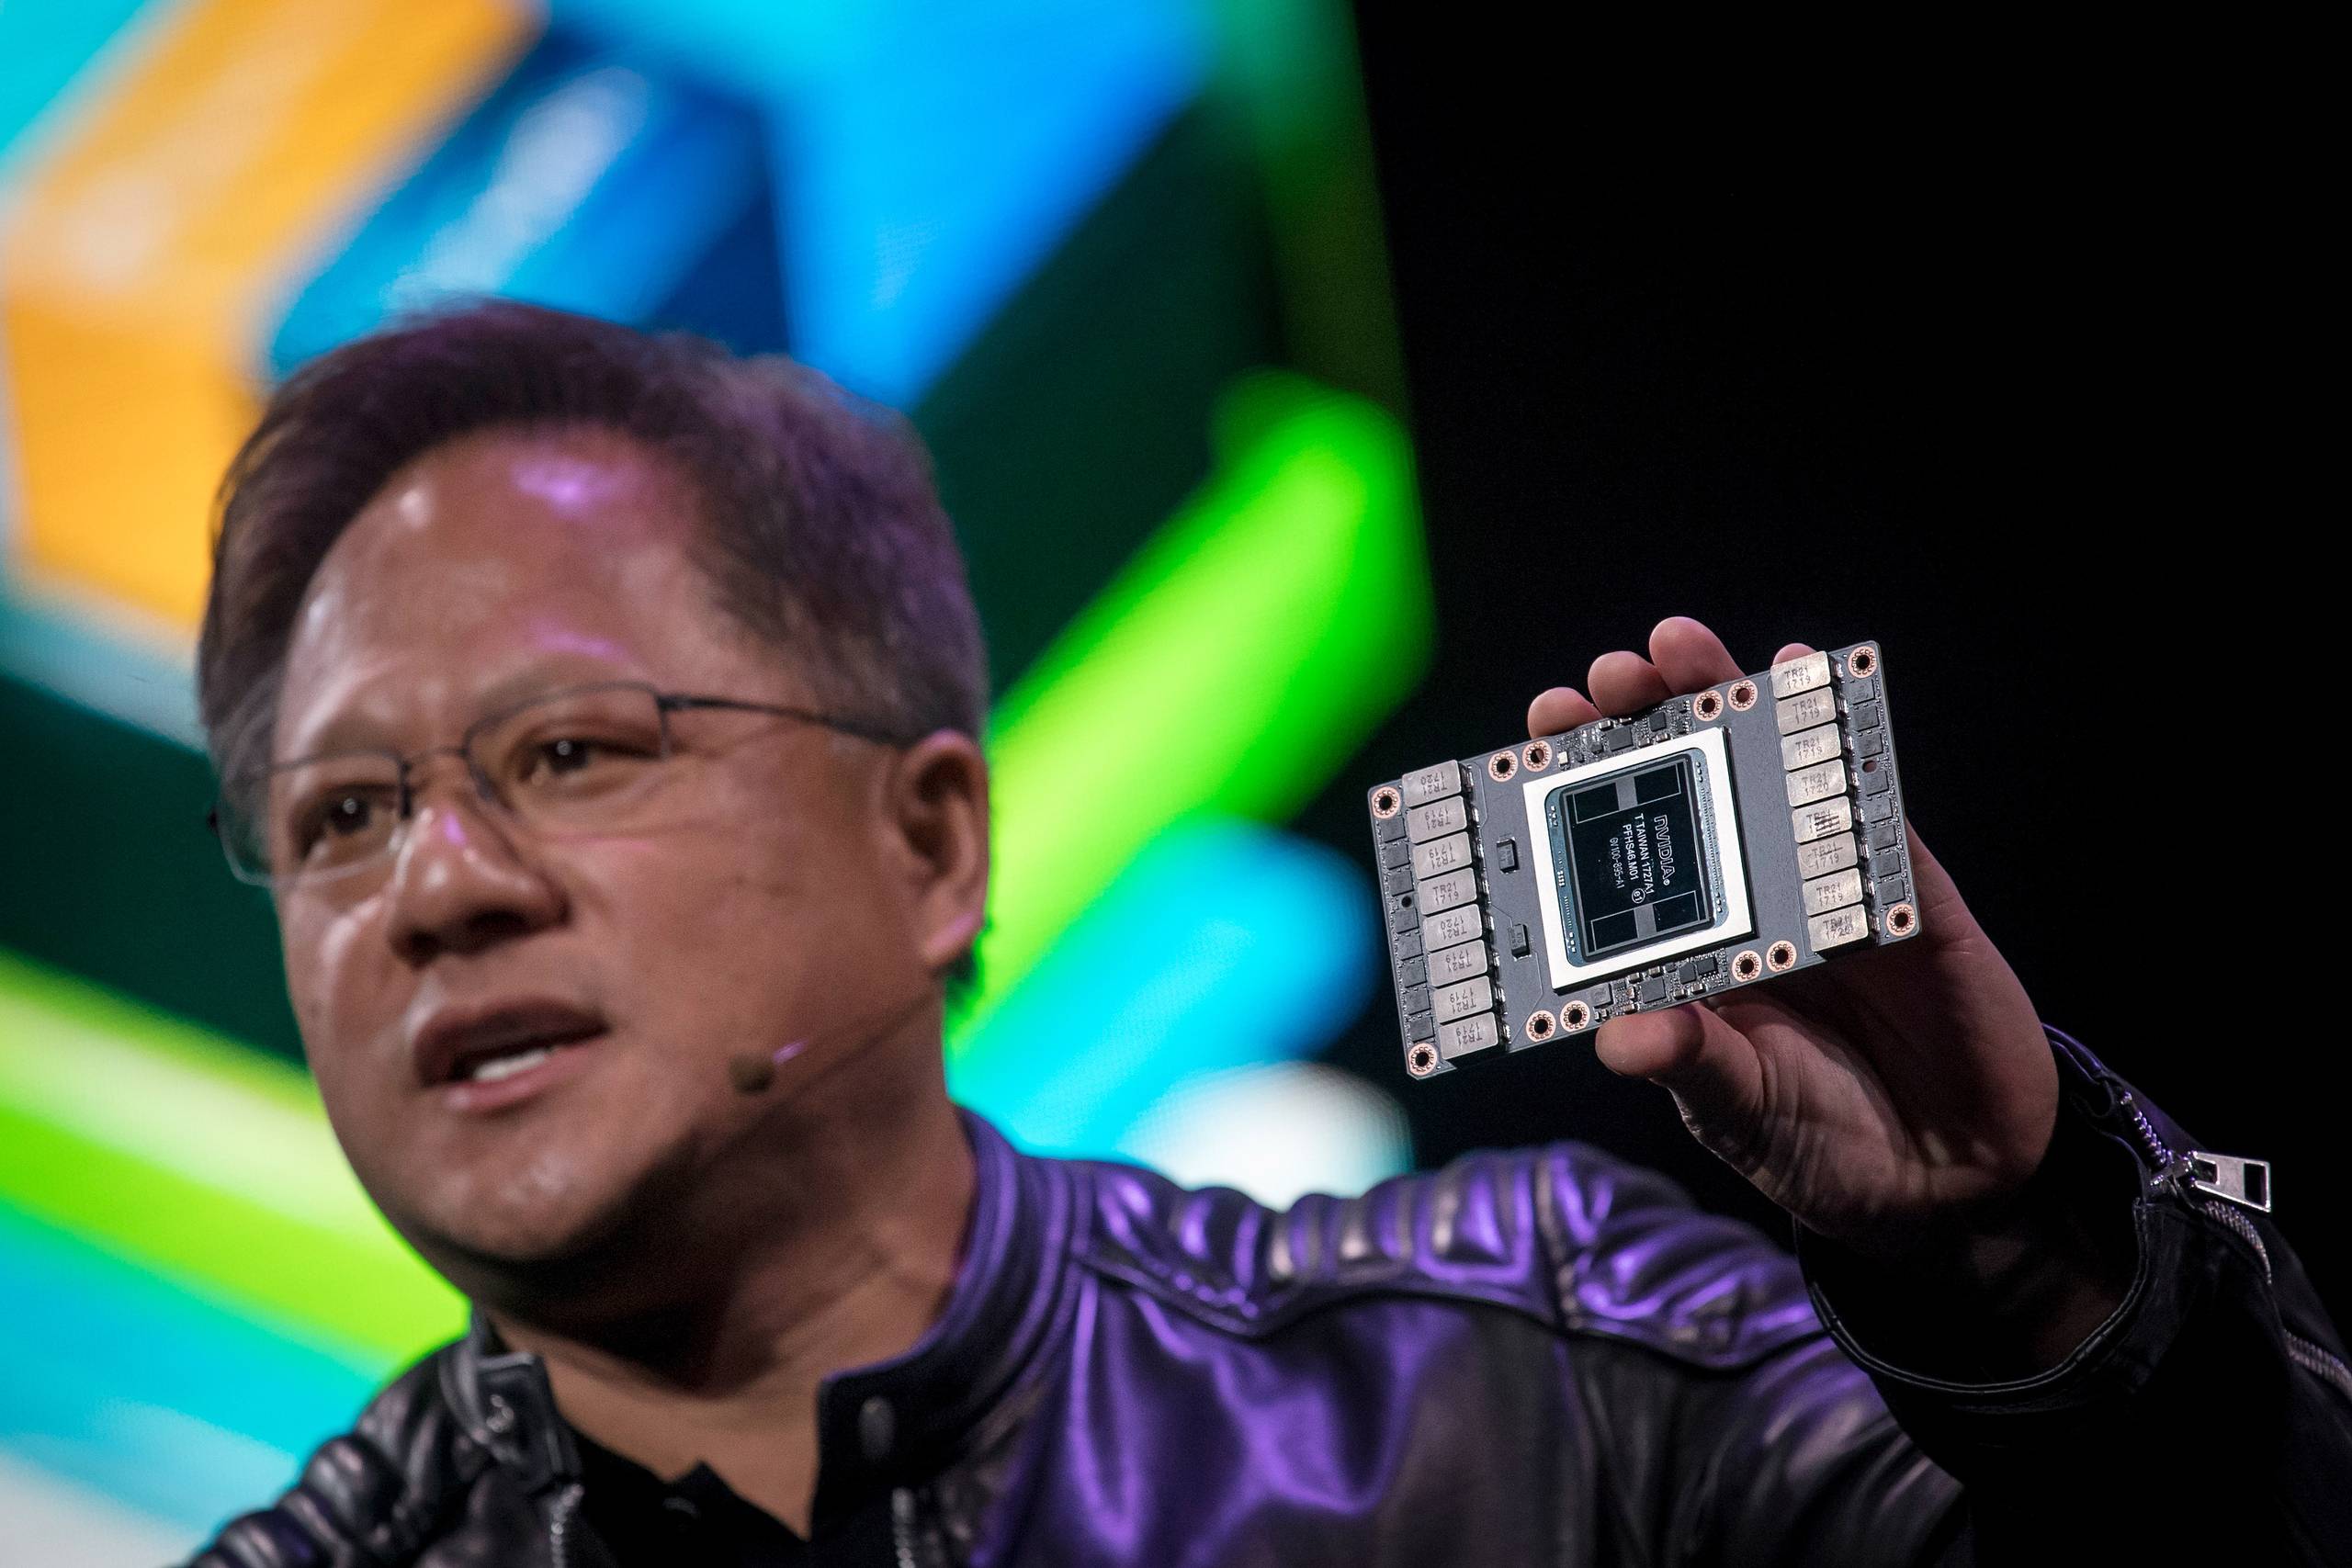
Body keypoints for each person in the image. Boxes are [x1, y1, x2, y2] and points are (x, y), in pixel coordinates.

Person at [182, 301, 2347, 1568]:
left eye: (568, 749)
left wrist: (2025, 1268)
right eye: (340, 814)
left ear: (930, 839)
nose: (436, 884)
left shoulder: (1533, 1369)